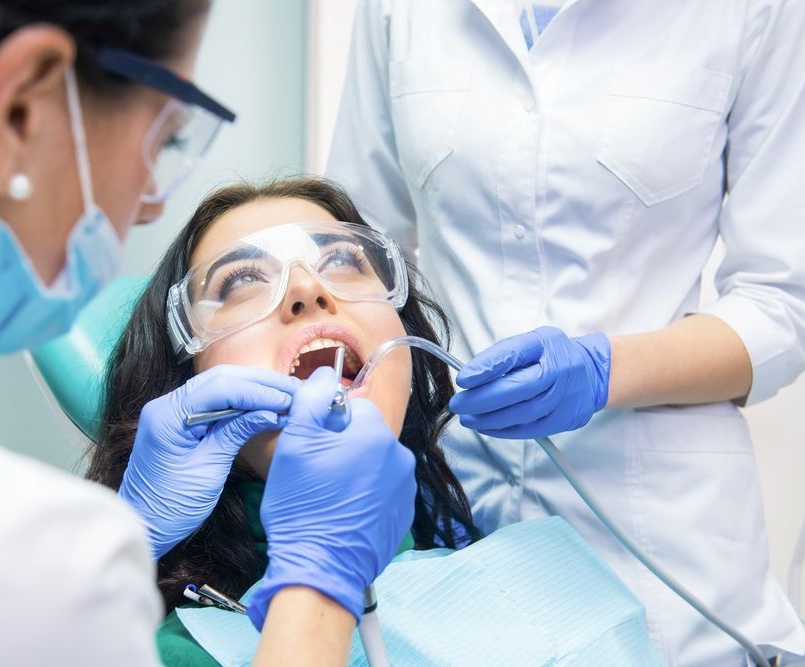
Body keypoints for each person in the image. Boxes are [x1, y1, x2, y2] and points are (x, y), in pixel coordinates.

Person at [0, 3, 416, 665]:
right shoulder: (17, 565)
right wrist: (320, 582)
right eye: (165, 136)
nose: (152, 200)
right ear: (21, 106)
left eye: (343, 260)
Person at [327, 1, 805, 664]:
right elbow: (355, 248)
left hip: (661, 543)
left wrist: (605, 369)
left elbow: (781, 300)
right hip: (457, 513)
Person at [89, 176, 664, 665]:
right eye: (241, 281)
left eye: (342, 260)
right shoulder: (157, 648)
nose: (309, 291)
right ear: (187, 382)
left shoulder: (552, 585)